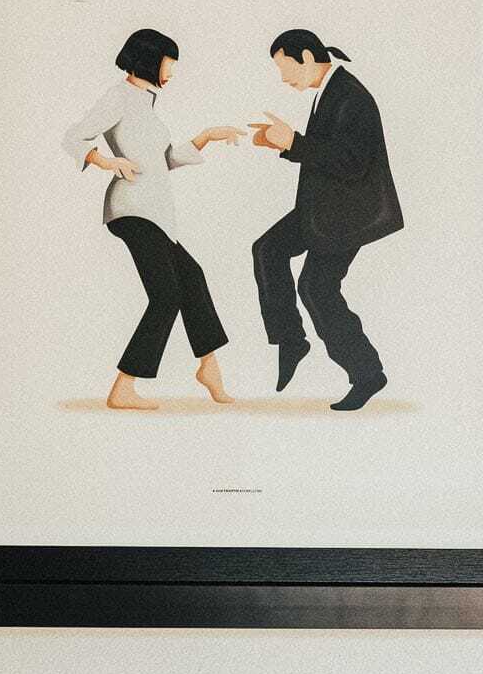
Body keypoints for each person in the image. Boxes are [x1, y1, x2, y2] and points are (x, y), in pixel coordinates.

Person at [63, 28, 244, 411]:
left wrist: (206, 137)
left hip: (153, 211)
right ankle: (124, 387)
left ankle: (208, 366)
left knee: (190, 277)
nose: (173, 72)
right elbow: (75, 138)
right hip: (132, 208)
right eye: (169, 63)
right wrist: (107, 162)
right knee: (166, 296)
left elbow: (161, 161)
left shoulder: (144, 102)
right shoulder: (120, 97)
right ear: (150, 59)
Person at [249, 30, 403, 411]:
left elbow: (351, 162)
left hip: (347, 215)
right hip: (323, 208)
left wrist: (294, 143)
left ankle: (367, 373)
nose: (284, 78)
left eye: (286, 68)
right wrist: (283, 145)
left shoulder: (352, 96)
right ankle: (291, 340)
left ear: (306, 56)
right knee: (268, 249)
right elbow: (328, 153)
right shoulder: (330, 90)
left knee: (317, 288)